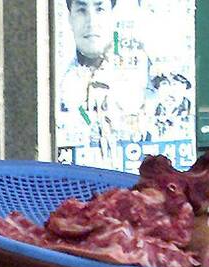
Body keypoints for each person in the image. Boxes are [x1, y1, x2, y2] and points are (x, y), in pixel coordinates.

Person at [56, 0, 149, 168]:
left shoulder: (140, 72)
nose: (91, 22)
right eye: (82, 10)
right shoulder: (63, 82)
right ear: (69, 17)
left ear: (113, 15)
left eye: (100, 9)